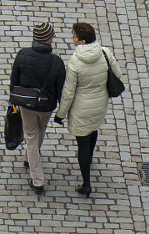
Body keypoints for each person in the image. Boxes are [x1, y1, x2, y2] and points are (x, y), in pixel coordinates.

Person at [58, 21, 118, 196]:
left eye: (74, 36)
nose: (72, 38)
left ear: (82, 41)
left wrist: (60, 114)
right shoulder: (105, 52)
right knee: (93, 129)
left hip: (81, 108)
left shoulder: (75, 62)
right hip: (99, 104)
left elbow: (68, 92)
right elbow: (118, 74)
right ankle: (90, 159)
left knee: (82, 142)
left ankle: (86, 184)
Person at [7, 23, 67, 193]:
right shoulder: (56, 62)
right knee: (38, 132)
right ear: (48, 39)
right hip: (46, 106)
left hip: (26, 103)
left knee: (31, 136)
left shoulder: (22, 55)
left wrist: (13, 100)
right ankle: (36, 173)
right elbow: (61, 89)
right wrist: (63, 111)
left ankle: (36, 175)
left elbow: (14, 81)